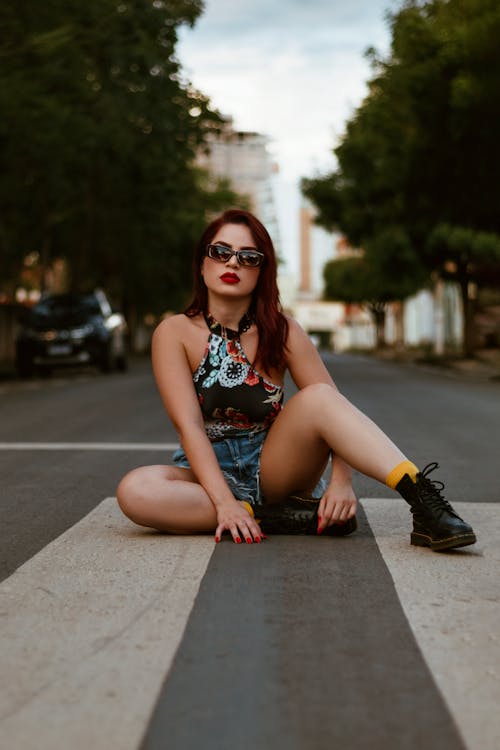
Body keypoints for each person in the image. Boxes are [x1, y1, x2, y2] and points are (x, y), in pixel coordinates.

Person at [116, 208, 476, 551]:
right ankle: (276, 517)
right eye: (221, 251)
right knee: (136, 490)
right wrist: (225, 504)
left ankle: (425, 503)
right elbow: (190, 426)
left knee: (318, 395)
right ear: (202, 262)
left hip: (278, 468)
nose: (232, 262)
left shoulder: (284, 330)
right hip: (207, 472)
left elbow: (335, 411)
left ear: (262, 270)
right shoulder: (174, 332)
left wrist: (341, 483)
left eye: (248, 257)